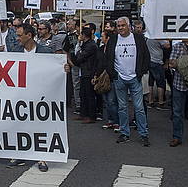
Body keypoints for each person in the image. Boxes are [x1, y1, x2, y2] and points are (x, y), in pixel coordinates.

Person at [11, 23, 52, 172]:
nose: (17, 38)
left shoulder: (46, 52)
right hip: (21, 95)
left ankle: (42, 157)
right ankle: (21, 154)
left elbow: (54, 69)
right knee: (21, 124)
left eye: (19, 35)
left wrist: (64, 68)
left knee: (40, 125)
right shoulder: (15, 51)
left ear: (29, 35)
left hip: (41, 95)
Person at [105, 17, 150, 146]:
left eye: (123, 25)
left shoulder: (138, 38)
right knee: (122, 107)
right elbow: (108, 58)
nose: (120, 28)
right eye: (118, 26)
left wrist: (141, 72)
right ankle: (125, 132)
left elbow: (146, 56)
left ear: (129, 26)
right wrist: (113, 74)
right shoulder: (113, 39)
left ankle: (143, 134)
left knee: (139, 107)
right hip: (119, 78)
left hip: (135, 77)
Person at [69, 27, 105, 123]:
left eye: (81, 35)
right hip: (84, 71)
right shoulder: (84, 44)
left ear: (84, 36)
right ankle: (83, 113)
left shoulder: (91, 46)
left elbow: (80, 57)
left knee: (89, 95)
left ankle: (91, 116)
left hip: (89, 72)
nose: (79, 37)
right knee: (83, 94)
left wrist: (78, 54)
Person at [63, 19, 81, 113]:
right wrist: (70, 62)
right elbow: (65, 50)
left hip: (86, 65)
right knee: (76, 85)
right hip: (75, 64)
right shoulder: (70, 37)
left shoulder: (86, 36)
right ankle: (78, 104)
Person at [146, 37, 169, 110]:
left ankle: (150, 102)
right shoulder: (158, 37)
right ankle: (160, 103)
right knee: (160, 83)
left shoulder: (148, 37)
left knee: (151, 83)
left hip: (150, 61)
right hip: (157, 62)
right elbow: (167, 45)